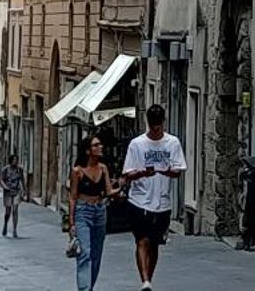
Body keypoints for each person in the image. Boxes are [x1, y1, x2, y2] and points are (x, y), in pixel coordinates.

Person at [121, 105, 187, 291]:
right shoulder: (137, 144)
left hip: (162, 202)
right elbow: (128, 174)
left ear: (163, 122)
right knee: (142, 241)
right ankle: (145, 281)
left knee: (155, 244)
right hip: (139, 200)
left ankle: (149, 278)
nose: (156, 129)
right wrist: (142, 173)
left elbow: (178, 170)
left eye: (159, 125)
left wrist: (166, 171)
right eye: (153, 125)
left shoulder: (172, 143)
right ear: (148, 123)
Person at [65, 134, 118, 291]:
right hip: (83, 211)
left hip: (100, 211)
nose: (100, 147)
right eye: (96, 145)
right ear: (88, 151)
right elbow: (73, 197)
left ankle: (89, 287)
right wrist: (71, 222)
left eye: (100, 144)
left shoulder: (103, 168)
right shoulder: (78, 171)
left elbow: (108, 191)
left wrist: (121, 186)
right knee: (85, 253)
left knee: (96, 254)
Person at [0, 154, 26, 237]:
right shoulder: (5, 169)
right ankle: (5, 224)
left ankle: (14, 230)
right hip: (8, 192)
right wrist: (5, 187)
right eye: (14, 160)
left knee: (15, 210)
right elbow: (1, 180)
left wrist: (24, 190)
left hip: (16, 191)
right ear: (11, 161)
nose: (15, 161)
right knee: (8, 212)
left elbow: (22, 179)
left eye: (16, 160)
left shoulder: (19, 170)